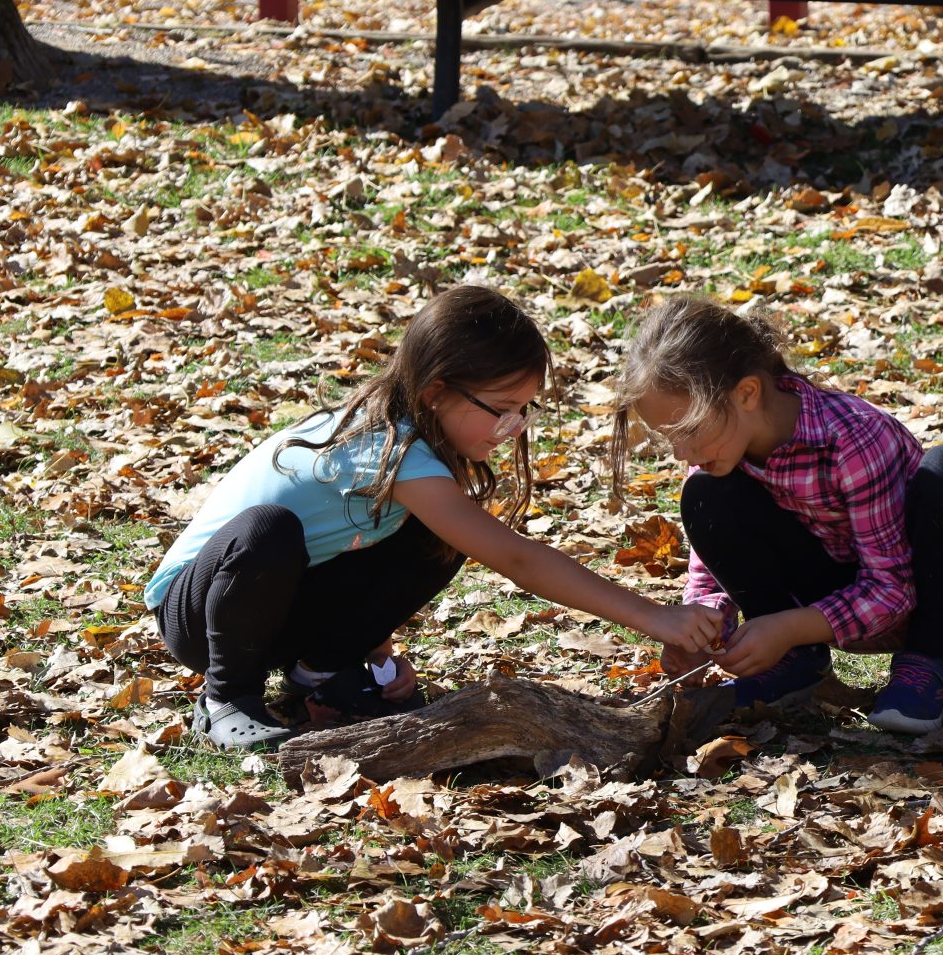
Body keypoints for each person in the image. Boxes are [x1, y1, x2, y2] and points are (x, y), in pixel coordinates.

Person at [145, 285, 726, 749]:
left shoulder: (417, 452)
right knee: (267, 531)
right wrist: (657, 618)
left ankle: (321, 676)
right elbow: (518, 558)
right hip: (199, 615)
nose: (513, 428)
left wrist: (370, 652)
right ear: (434, 392)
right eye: (500, 410)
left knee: (436, 538)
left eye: (524, 410)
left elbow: (349, 553)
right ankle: (229, 697)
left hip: (276, 610)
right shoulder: (381, 445)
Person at [610, 297, 943, 736]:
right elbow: (711, 570)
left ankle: (923, 667)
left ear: (748, 393)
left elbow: (893, 587)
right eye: (670, 438)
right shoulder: (718, 449)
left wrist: (786, 627)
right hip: (827, 606)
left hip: (923, 594)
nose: (681, 452)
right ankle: (794, 666)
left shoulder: (850, 437)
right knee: (704, 495)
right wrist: (703, 626)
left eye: (688, 431)